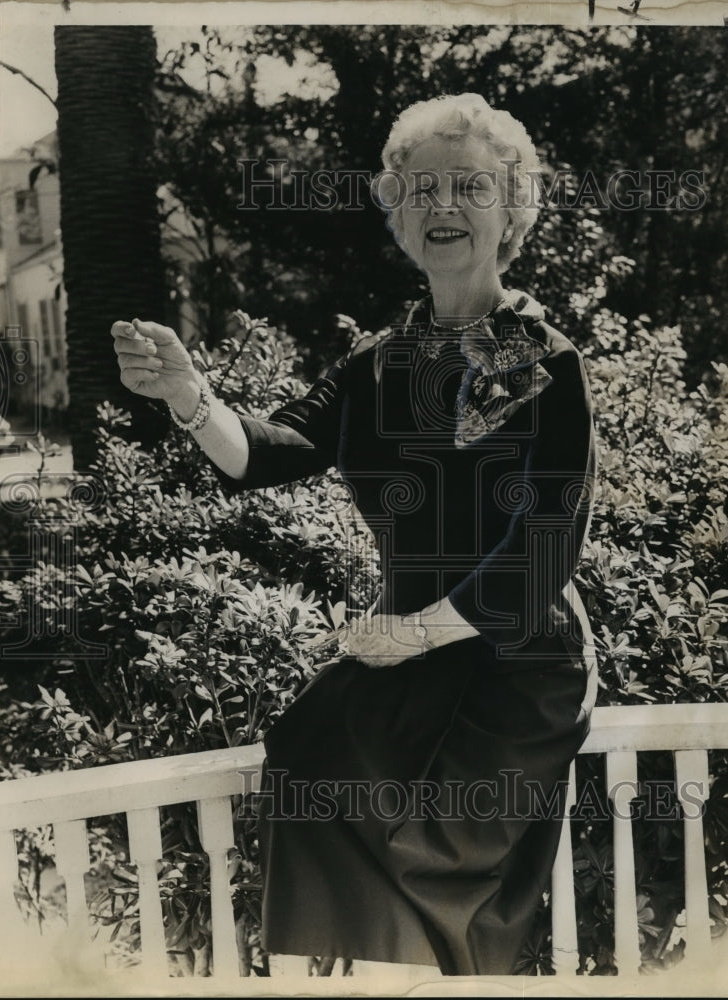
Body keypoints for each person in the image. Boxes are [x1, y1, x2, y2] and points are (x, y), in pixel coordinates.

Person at [111, 92, 598, 976]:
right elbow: (266, 452)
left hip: (515, 664)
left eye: (467, 187)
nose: (440, 207)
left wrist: (410, 633)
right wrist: (188, 397)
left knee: (440, 872)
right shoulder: (379, 363)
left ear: (511, 208)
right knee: (310, 758)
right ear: (396, 214)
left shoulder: (535, 353)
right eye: (418, 190)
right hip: (403, 664)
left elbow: (542, 551)